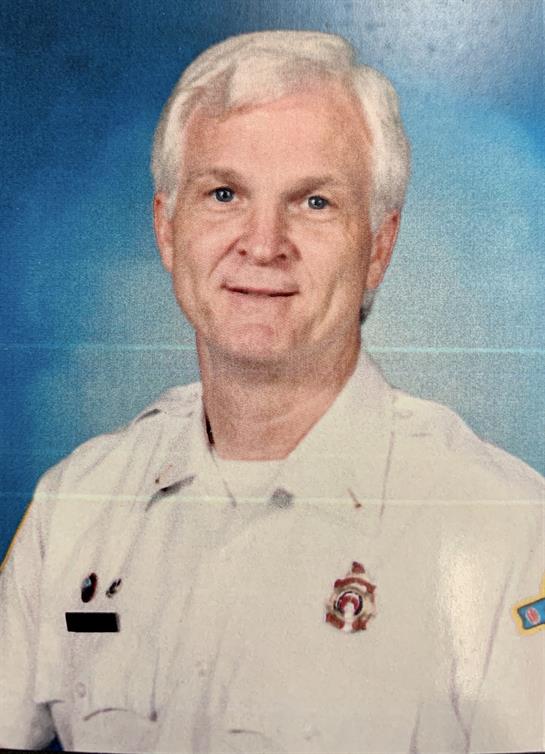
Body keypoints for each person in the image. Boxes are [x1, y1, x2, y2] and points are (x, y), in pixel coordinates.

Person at [1, 30, 543, 754]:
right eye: (223, 194)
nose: (262, 244)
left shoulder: (502, 526)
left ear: (378, 247)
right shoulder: (75, 504)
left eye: (314, 202)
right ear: (167, 229)